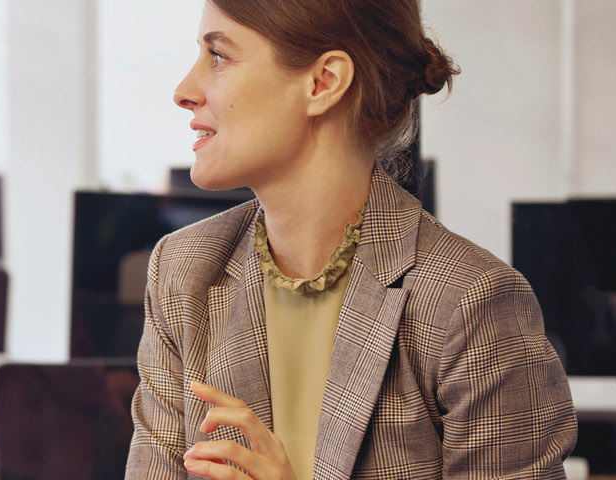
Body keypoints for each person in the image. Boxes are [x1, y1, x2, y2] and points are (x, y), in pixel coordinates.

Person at [125, 1, 576, 478]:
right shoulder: (182, 271)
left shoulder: (469, 302)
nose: (183, 91)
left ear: (323, 83)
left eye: (218, 56)